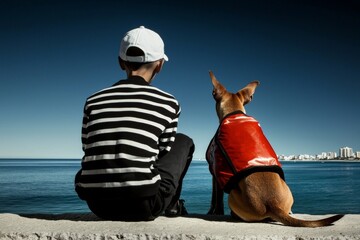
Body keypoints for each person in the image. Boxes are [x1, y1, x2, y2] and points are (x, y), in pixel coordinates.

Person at [75, 26, 194, 221]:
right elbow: (163, 152)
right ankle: (172, 206)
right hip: (144, 205)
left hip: (97, 204)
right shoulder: (169, 102)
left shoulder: (93, 100)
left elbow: (86, 145)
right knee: (182, 141)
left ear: (121, 62)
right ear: (159, 65)